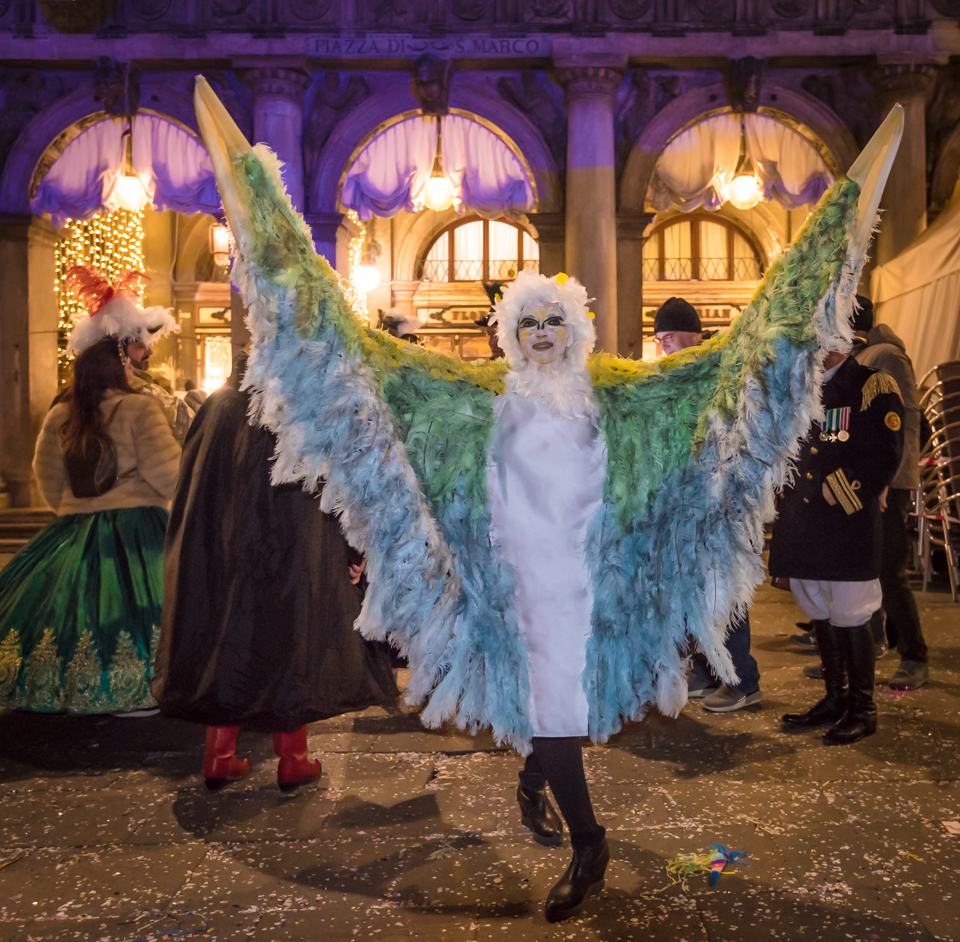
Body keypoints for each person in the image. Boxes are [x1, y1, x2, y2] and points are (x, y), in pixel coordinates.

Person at [194, 76, 901, 921]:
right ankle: (543, 777)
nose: (538, 339)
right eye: (526, 327)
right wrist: (273, 235)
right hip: (507, 592)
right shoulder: (475, 400)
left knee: (555, 715)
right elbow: (361, 363)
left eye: (552, 326)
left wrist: (813, 270)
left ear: (576, 332)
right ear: (508, 335)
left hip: (582, 593)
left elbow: (727, 374)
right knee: (543, 717)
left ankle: (589, 839)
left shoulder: (621, 400)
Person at [151, 355, 398, 790]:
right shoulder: (302, 408)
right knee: (292, 644)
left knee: (228, 642)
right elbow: (330, 486)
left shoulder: (220, 405)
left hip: (226, 551)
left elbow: (194, 486)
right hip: (294, 549)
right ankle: (292, 758)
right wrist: (350, 549)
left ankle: (218, 755)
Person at [0, 335, 181, 713]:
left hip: (74, 526)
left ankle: (61, 687)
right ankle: (147, 688)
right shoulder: (140, 409)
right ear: (117, 367)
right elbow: (167, 475)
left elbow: (47, 480)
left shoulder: (60, 414)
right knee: (154, 606)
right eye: (129, 363)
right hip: (139, 526)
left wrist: (74, 515)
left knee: (68, 612)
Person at [769, 347, 904, 745]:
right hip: (802, 523)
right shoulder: (796, 386)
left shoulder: (871, 385)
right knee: (818, 612)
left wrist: (846, 488)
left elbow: (885, 452)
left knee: (851, 612)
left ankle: (863, 709)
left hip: (844, 523)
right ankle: (835, 698)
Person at [654, 298, 762, 713]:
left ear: (692, 332)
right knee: (690, 588)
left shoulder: (720, 370)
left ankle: (741, 679)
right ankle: (706, 669)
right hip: (684, 498)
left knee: (723, 589)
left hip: (720, 498)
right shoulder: (680, 372)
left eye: (670, 333)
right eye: (660, 334)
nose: (663, 340)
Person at [852, 296, 928, 690]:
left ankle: (914, 656)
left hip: (888, 482)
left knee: (888, 570)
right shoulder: (872, 355)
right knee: (870, 568)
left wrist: (887, 480)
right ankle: (873, 644)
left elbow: (894, 425)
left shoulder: (884, 357)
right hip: (878, 479)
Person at [64, 266, 192, 445]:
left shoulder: (67, 403)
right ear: (117, 354)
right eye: (140, 346)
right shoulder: (149, 399)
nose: (150, 352)